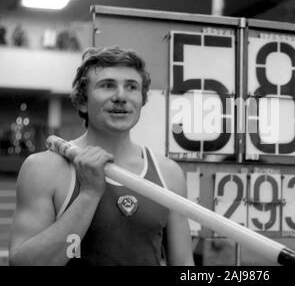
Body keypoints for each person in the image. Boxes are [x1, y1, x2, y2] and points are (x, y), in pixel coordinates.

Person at [9, 46, 195, 266]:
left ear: (142, 99)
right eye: (107, 86)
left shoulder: (168, 173)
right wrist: (88, 195)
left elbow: (184, 266)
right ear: (82, 101)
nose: (120, 96)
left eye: (131, 87)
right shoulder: (44, 168)